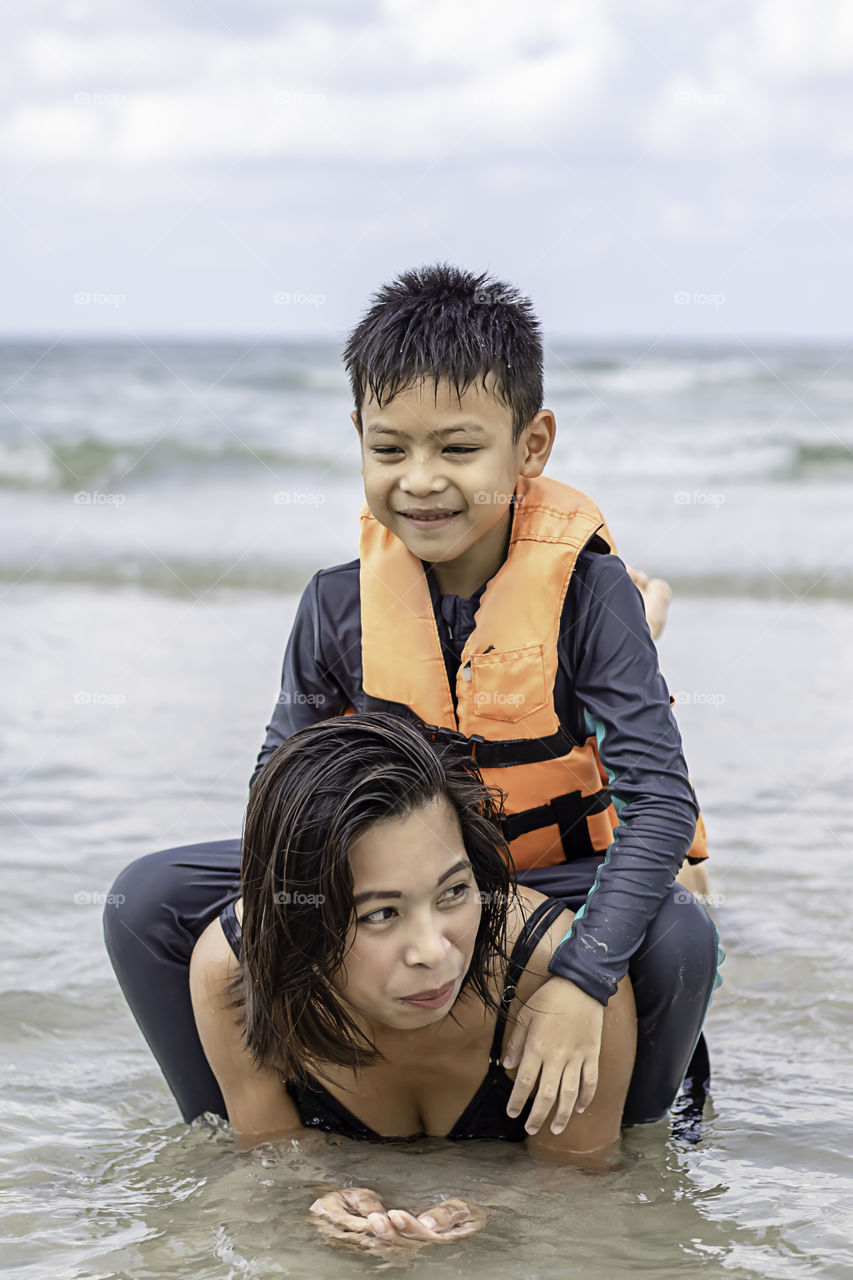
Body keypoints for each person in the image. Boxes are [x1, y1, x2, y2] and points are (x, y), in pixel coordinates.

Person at [105, 262, 720, 1137]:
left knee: (679, 934)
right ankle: (242, 1125)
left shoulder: (592, 595)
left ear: (531, 446)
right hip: (397, 873)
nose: (421, 480)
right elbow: (275, 785)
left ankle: (632, 1130)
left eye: (457, 450)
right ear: (358, 436)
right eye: (389, 449)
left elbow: (660, 805)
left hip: (551, 868)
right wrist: (323, 904)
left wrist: (580, 979)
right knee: (148, 900)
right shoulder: (336, 602)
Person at [190, 713, 637, 1254]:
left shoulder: (561, 975)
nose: (433, 951)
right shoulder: (234, 969)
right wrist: (320, 1192)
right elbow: (270, 1149)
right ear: (297, 922)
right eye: (380, 914)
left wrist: (498, 1210)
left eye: (453, 892)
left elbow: (583, 1176)